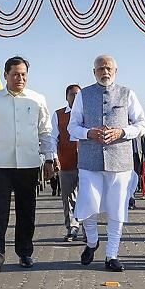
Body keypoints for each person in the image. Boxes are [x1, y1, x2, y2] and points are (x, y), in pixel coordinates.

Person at [68, 55, 145, 272]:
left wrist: (123, 131)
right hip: (90, 160)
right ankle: (92, 242)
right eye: (101, 68)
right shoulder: (83, 95)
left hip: (120, 160)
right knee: (88, 206)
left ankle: (112, 254)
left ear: (116, 70)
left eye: (109, 68)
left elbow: (141, 125)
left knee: (116, 209)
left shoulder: (127, 93)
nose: (105, 71)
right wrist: (88, 133)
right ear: (94, 72)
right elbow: (72, 127)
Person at [0, 56, 54, 276]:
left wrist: (49, 158)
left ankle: (25, 252)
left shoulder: (37, 99)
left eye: (23, 74)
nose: (20, 78)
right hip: (1, 164)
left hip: (28, 164)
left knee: (26, 211)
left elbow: (45, 132)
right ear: (6, 75)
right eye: (15, 74)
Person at [51, 84, 82, 242]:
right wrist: (54, 157)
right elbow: (53, 138)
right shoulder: (59, 114)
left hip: (86, 163)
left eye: (78, 94)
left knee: (87, 197)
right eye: (72, 94)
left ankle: (88, 230)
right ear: (66, 96)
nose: (75, 97)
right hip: (66, 161)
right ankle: (72, 228)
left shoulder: (88, 113)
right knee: (68, 197)